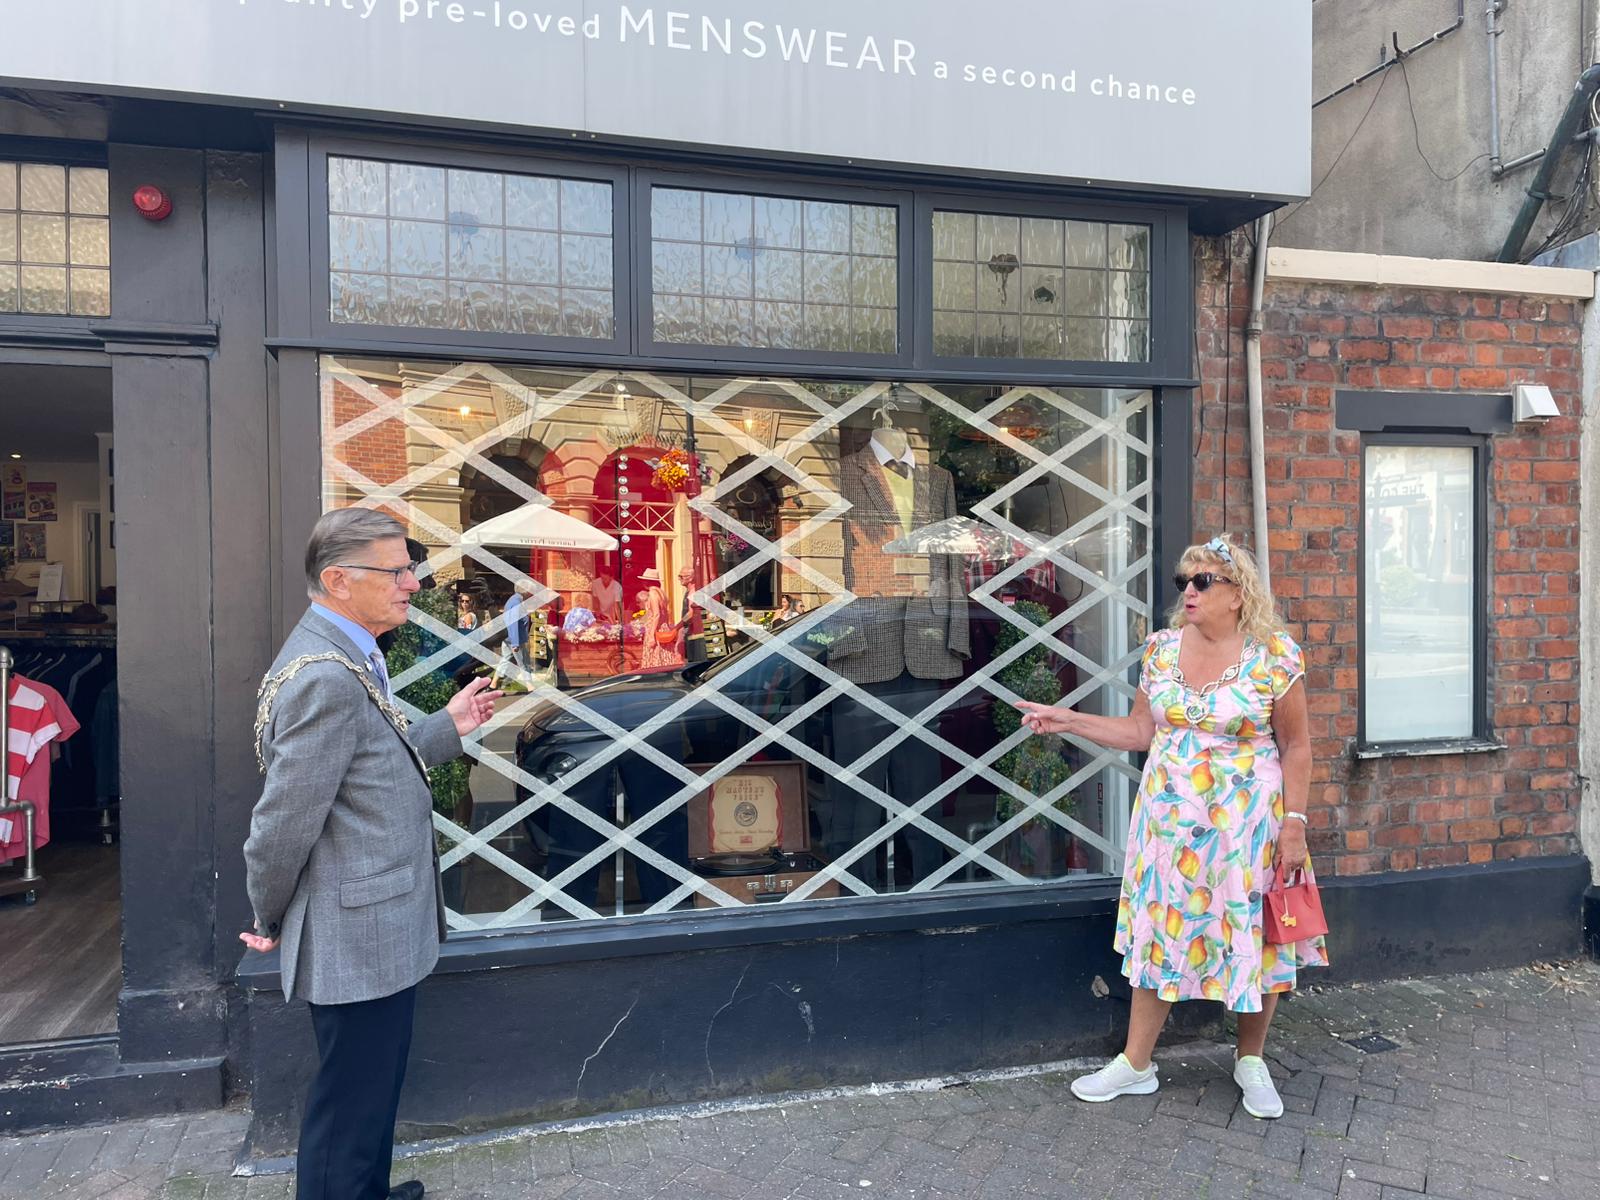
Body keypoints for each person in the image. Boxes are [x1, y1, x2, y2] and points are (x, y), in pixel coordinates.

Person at [1015, 535, 1324, 1120]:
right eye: (1185, 581)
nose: (1189, 591)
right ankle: (1136, 1064)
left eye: (1203, 581)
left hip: (1247, 830)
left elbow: (1298, 746)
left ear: (1238, 594)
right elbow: (1139, 732)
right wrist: (1068, 720)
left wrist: (1295, 825)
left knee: (1254, 937)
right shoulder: (1160, 651)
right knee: (1161, 931)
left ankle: (1250, 1059)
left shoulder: (1273, 655)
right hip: (1168, 826)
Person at [240, 509, 501, 1200]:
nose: (413, 583)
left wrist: (448, 726)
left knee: (371, 1086)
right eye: (397, 571)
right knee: (351, 1099)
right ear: (338, 580)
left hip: (371, 923)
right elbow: (282, 824)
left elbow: (367, 764)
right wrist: (267, 915)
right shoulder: (326, 677)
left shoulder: (346, 649)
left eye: (409, 569)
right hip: (356, 932)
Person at [637, 567, 681, 669]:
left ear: (647, 582)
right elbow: (666, 613)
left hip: (656, 628)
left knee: (655, 657)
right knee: (665, 656)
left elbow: (656, 614)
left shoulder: (652, 594)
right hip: (663, 627)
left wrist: (652, 635)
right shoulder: (662, 594)